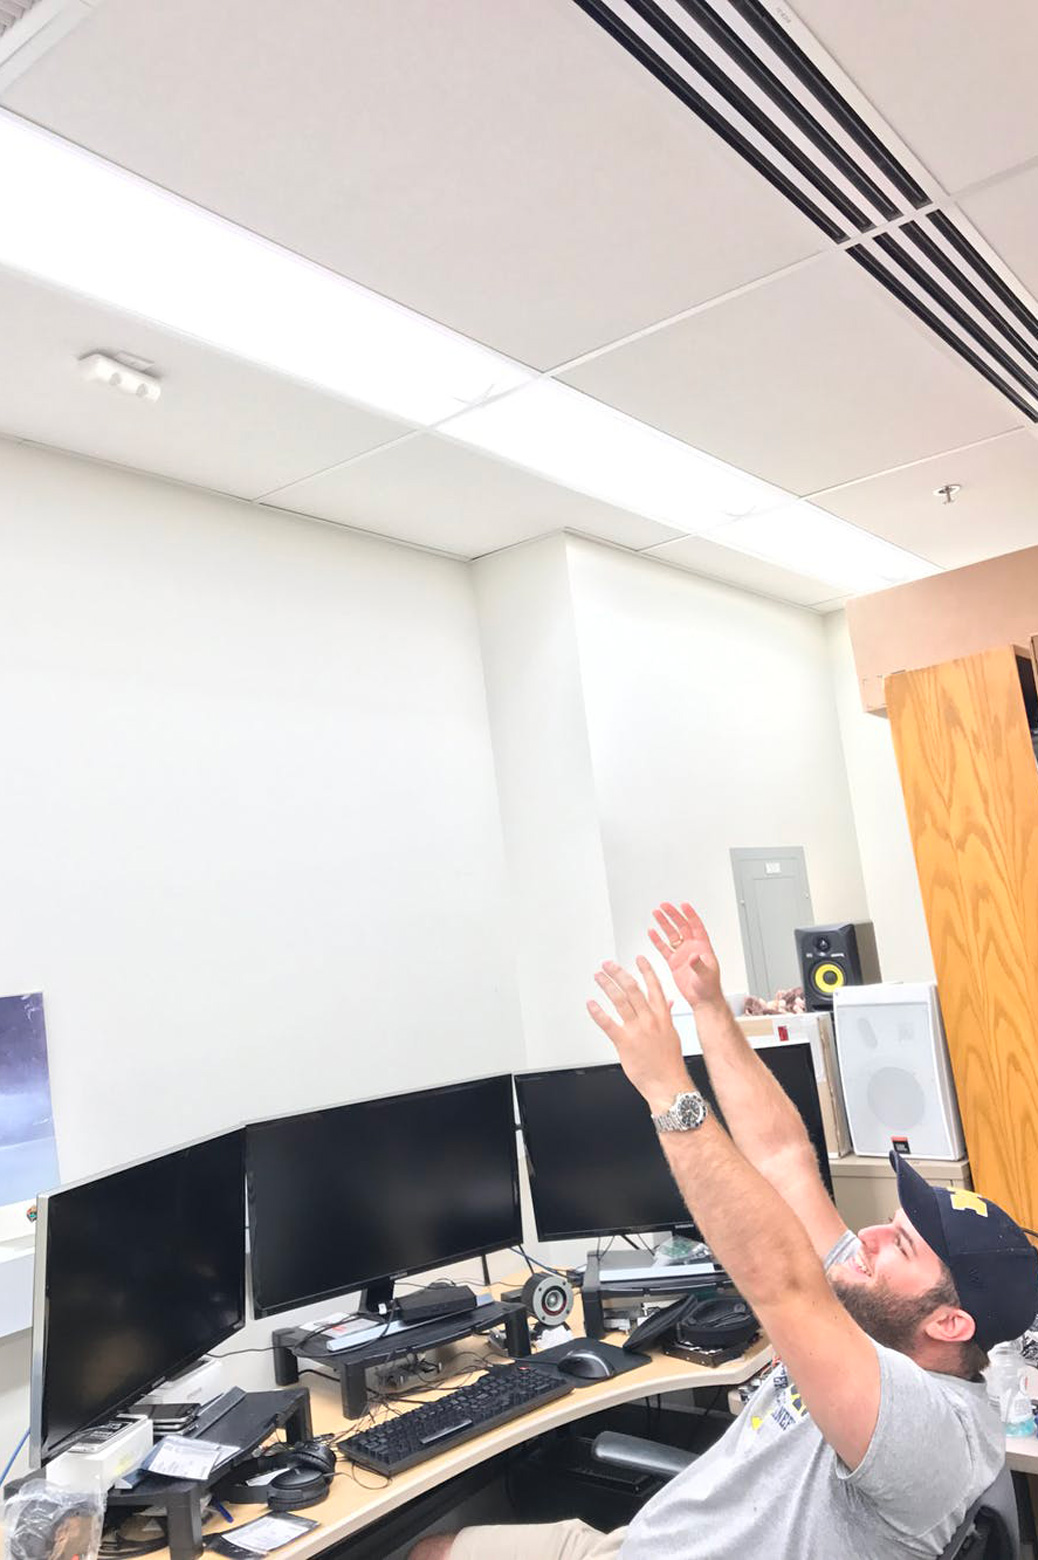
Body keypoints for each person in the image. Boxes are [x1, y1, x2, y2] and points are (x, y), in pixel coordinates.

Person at [411, 901, 1038, 1560]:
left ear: (949, 1325)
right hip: (641, 1545)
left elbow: (783, 1283)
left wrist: (665, 1087)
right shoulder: (876, 1314)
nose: (867, 1241)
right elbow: (783, 1162)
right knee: (435, 1552)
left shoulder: (928, 1428)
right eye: (890, 1224)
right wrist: (710, 1008)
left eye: (900, 1245)